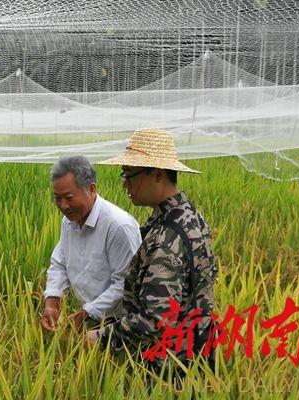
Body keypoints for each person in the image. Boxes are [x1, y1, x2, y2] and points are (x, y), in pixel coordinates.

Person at [84, 128, 217, 372]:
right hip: (198, 350)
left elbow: (156, 320)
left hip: (168, 366)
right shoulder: (189, 215)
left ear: (157, 174)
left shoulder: (166, 237)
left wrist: (101, 338)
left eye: (129, 176)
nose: (125, 185)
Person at [41, 156, 141, 332]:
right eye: (57, 198)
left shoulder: (117, 226)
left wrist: (85, 314)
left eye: (69, 197)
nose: (63, 206)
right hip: (92, 317)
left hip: (122, 325)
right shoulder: (70, 220)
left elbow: (126, 283)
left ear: (91, 189)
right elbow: (60, 263)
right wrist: (52, 301)